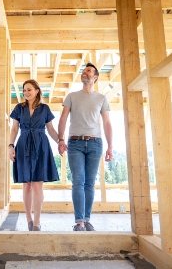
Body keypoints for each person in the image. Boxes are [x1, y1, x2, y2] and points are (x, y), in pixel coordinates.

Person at [58, 62, 113, 231]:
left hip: (96, 143)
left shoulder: (101, 98)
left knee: (90, 183)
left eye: (88, 71)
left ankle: (87, 219)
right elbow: (63, 119)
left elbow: (107, 123)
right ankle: (79, 222)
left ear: (95, 77)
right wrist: (61, 139)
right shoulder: (72, 96)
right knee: (78, 181)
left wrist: (110, 146)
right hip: (75, 143)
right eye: (83, 71)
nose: (84, 73)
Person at [8, 79, 60, 231]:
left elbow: (50, 129)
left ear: (37, 91)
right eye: (24, 90)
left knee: (37, 185)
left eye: (29, 89)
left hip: (41, 146)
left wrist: (60, 142)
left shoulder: (45, 108)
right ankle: (28, 219)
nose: (26, 93)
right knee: (27, 185)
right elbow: (14, 129)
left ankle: (37, 222)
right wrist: (11, 146)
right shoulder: (19, 108)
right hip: (23, 145)